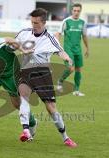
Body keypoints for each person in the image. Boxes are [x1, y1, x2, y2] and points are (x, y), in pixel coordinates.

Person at [15, 8, 77, 148]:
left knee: (51, 108)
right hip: (26, 70)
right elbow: (14, 43)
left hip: (43, 73)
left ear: (44, 22)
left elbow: (59, 51)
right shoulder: (24, 33)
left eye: (36, 22)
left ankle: (65, 137)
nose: (33, 25)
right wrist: (17, 47)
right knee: (23, 95)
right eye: (32, 22)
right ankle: (25, 131)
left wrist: (67, 58)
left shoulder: (50, 38)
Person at [56, 3, 89, 97]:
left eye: (78, 11)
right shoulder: (66, 21)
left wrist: (87, 48)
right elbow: (58, 33)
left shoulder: (82, 22)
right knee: (71, 68)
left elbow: (85, 36)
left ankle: (76, 91)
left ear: (80, 11)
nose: (76, 12)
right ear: (72, 11)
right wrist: (58, 47)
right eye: (74, 10)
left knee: (78, 69)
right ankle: (60, 81)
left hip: (78, 50)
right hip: (68, 49)